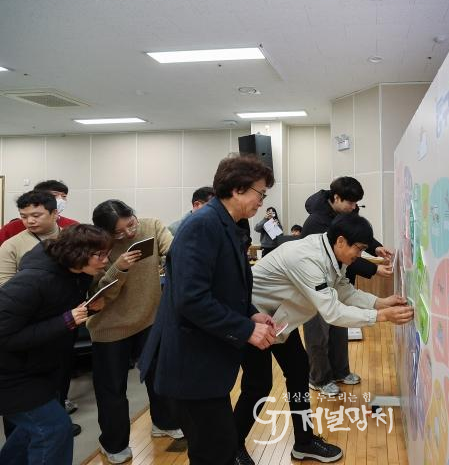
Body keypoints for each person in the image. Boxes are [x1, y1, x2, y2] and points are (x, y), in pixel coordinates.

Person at [233, 213, 413, 464]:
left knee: (298, 371)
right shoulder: (307, 258)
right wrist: (382, 316)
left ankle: (304, 443)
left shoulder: (331, 253)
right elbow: (332, 312)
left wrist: (380, 302)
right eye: (359, 248)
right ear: (341, 241)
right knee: (258, 385)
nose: (359, 255)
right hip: (253, 317)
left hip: (280, 319)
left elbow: (343, 290)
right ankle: (231, 449)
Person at [138, 155, 277, 465]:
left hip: (206, 363)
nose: (261, 201)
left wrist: (250, 313)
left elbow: (225, 288)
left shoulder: (227, 224)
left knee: (219, 448)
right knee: (214, 452)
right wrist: (246, 329)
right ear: (238, 189)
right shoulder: (203, 225)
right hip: (190, 366)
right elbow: (191, 299)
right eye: (260, 193)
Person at [0, 224, 112, 464]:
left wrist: (87, 310)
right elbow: (4, 335)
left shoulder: (78, 274)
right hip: (10, 374)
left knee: (31, 431)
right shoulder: (32, 281)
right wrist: (66, 321)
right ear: (78, 254)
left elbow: (56, 311)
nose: (106, 260)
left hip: (40, 366)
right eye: (100, 255)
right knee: (54, 429)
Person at [89, 200, 181, 464]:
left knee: (159, 377)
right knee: (112, 390)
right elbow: (97, 297)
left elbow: (174, 250)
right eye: (118, 233)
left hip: (148, 320)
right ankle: (114, 443)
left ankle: (164, 422)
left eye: (130, 224)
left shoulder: (151, 226)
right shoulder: (98, 246)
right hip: (109, 327)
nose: (129, 233)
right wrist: (119, 268)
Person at [0, 190, 84, 436]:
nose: (29, 221)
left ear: (55, 213)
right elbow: (5, 288)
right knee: (22, 401)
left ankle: (56, 421)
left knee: (59, 380)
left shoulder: (72, 239)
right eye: (24, 216)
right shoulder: (12, 245)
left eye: (36, 215)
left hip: (63, 326)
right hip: (28, 329)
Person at [301, 177, 394, 396]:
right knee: (318, 334)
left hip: (338, 279)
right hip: (314, 285)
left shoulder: (347, 214)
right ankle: (319, 379)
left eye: (356, 204)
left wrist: (376, 248)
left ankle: (340, 372)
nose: (354, 208)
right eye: (350, 203)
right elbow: (344, 253)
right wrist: (374, 270)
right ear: (336, 198)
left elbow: (357, 238)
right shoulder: (316, 222)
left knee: (339, 329)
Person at [0, 180, 78, 246]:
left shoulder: (74, 226)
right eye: (54, 195)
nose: (60, 200)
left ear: (55, 213)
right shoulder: (11, 229)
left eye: (64, 196)